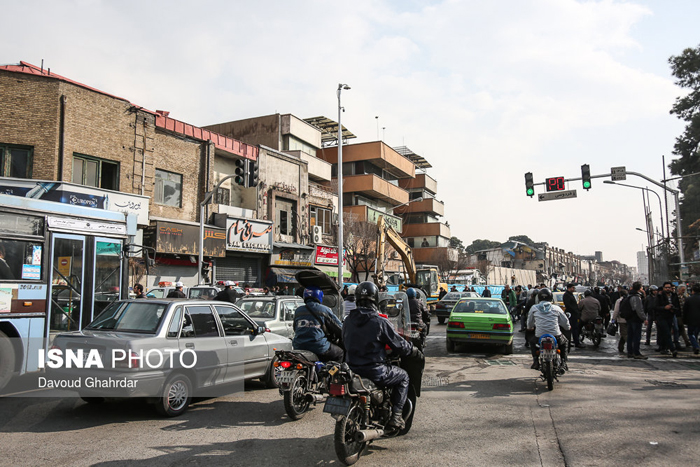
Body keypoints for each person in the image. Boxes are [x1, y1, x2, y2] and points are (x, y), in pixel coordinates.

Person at [343, 281, 422, 430]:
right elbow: (400, 345)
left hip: (352, 369)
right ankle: (396, 417)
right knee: (403, 376)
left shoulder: (347, 321)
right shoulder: (380, 322)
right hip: (375, 371)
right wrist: (413, 350)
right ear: (376, 299)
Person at [292, 286, 344, 362]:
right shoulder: (323, 309)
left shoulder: (298, 311)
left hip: (299, 346)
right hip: (318, 347)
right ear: (319, 296)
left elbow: (295, 328)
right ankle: (332, 373)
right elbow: (339, 328)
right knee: (340, 353)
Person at [527, 288, 570, 370]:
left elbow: (529, 322)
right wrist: (567, 327)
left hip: (539, 335)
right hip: (556, 334)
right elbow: (565, 321)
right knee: (564, 343)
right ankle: (563, 362)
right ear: (551, 297)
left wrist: (530, 327)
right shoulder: (556, 308)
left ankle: (535, 361)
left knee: (532, 342)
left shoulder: (534, 308)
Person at [655, 281, 681, 357]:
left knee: (666, 332)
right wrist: (664, 308)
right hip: (661, 316)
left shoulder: (674, 295)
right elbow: (655, 307)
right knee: (667, 332)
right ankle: (673, 349)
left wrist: (674, 309)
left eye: (669, 287)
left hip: (670, 316)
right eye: (666, 287)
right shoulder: (659, 296)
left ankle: (664, 347)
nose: (668, 289)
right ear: (663, 288)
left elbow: (678, 306)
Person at [624, 282, 648, 359]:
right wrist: (644, 318)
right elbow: (639, 309)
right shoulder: (636, 297)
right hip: (635, 319)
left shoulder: (629, 295)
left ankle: (630, 352)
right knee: (636, 336)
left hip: (629, 318)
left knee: (630, 336)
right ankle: (636, 353)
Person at [563, 283, 584, 348]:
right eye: (573, 288)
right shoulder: (566, 295)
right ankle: (574, 342)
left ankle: (575, 341)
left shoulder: (570, 295)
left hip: (574, 314)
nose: (574, 289)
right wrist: (575, 311)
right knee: (572, 329)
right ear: (569, 288)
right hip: (571, 314)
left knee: (575, 328)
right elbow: (569, 305)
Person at [683, 283, 700, 355]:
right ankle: (695, 345)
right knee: (696, 333)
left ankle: (695, 346)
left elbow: (685, 310)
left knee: (690, 333)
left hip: (691, 320)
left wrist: (684, 320)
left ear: (693, 291)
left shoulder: (688, 299)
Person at [611, 289, 628, 354]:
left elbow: (616, 311)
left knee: (623, 334)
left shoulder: (619, 300)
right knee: (625, 334)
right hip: (629, 319)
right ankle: (621, 347)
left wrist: (613, 320)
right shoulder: (629, 299)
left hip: (621, 319)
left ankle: (628, 347)